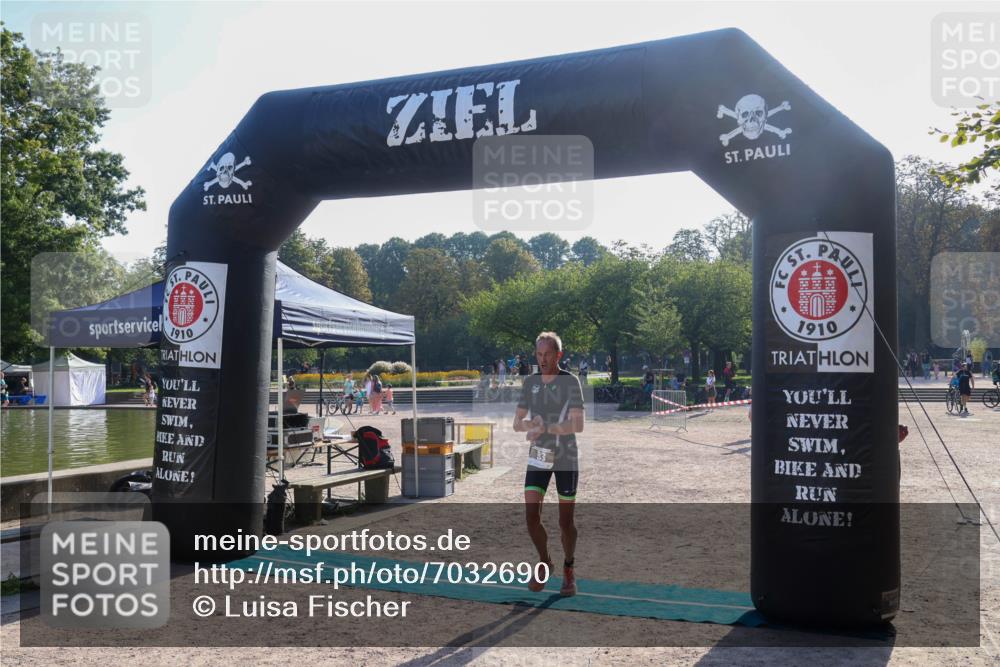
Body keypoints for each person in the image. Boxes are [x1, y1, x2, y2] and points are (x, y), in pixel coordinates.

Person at [513, 331, 585, 597]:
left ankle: (568, 568)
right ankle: (545, 562)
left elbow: (578, 423)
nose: (543, 360)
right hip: (539, 455)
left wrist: (549, 427)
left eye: (548, 355)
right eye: (539, 354)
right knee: (531, 518)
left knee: (565, 523)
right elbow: (516, 422)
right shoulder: (530, 382)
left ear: (559, 355)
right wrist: (529, 425)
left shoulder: (571, 382)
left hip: (565, 455)